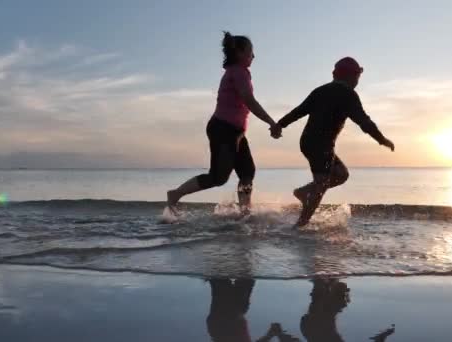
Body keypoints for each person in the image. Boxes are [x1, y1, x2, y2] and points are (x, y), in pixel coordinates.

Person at [167, 31, 281, 214]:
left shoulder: (239, 72)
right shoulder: (238, 72)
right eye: (251, 52)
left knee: (247, 172)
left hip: (235, 131)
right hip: (223, 129)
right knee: (218, 177)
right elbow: (249, 100)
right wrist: (271, 122)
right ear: (240, 53)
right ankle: (175, 194)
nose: (254, 56)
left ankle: (245, 212)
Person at [273, 57, 394, 227]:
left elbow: (298, 111)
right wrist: (382, 140)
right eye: (357, 76)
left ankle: (305, 192)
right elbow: (364, 122)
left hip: (309, 142)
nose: (358, 80)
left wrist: (280, 125)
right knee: (321, 183)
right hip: (320, 144)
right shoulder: (348, 95)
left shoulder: (320, 90)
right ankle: (301, 224)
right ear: (351, 76)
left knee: (341, 175)